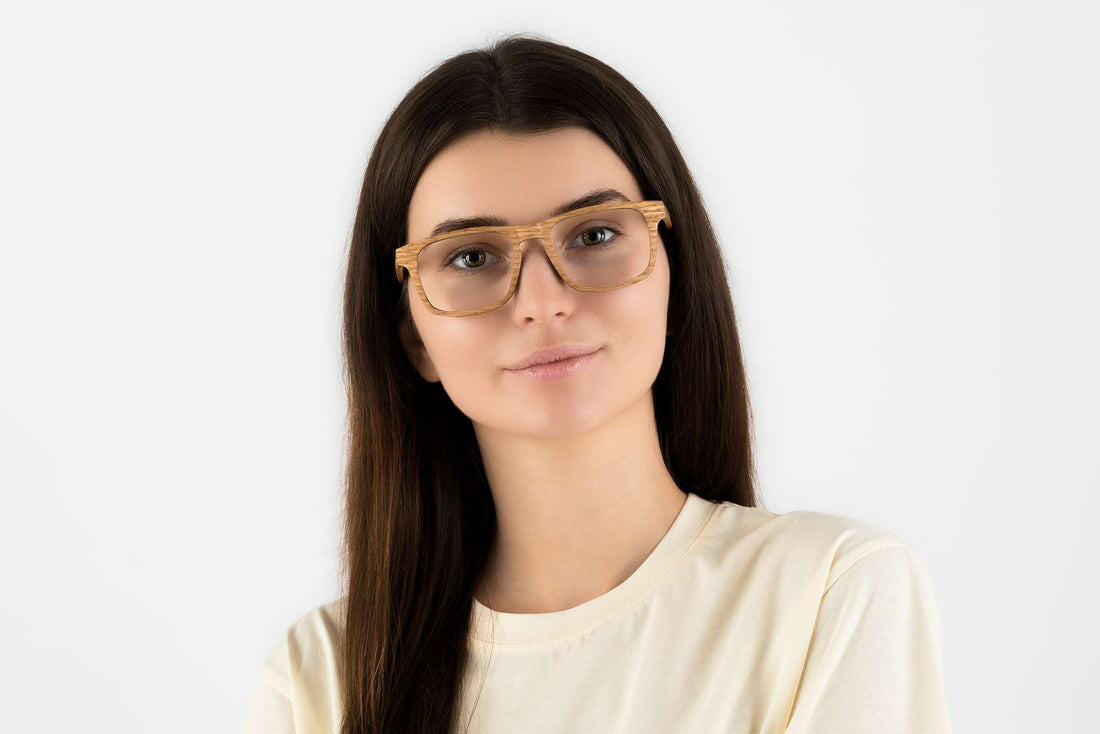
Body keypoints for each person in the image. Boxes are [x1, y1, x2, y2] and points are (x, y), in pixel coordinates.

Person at [240, 33, 952, 734]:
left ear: (677, 277)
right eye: (472, 256)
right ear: (412, 338)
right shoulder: (322, 678)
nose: (542, 300)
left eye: (594, 236)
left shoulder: (828, 591)